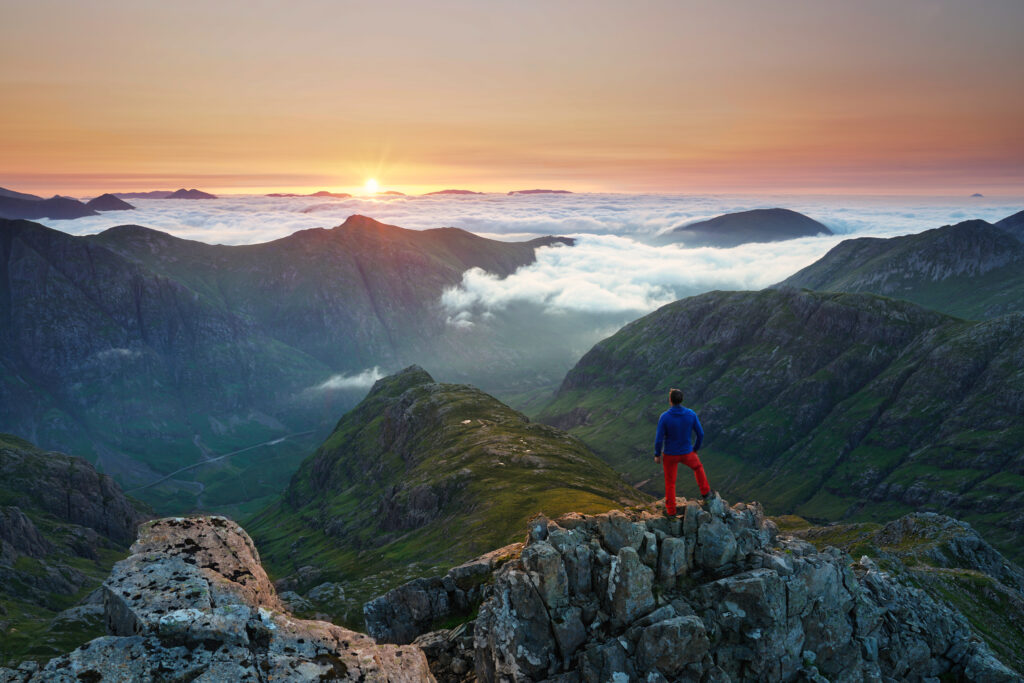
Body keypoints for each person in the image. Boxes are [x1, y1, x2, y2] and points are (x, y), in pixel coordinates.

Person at [654, 388, 711, 516]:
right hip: (687, 453)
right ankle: (706, 493)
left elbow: (659, 439)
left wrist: (657, 455)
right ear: (682, 400)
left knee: (670, 483)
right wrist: (695, 449)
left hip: (670, 455)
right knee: (698, 467)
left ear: (670, 400)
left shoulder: (665, 417)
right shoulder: (691, 414)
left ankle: (672, 512)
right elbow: (700, 434)